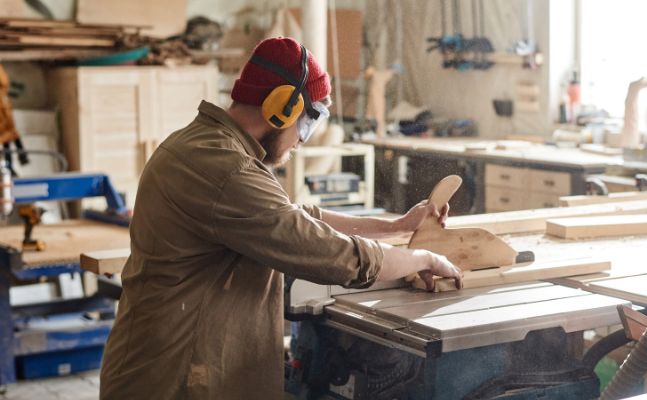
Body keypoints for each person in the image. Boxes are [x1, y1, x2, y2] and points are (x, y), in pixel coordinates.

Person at [99, 37, 463, 399]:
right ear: (282, 108)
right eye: (309, 122)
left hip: (165, 365)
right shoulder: (226, 170)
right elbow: (335, 256)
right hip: (176, 379)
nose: (303, 140)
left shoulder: (205, 145)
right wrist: (424, 258)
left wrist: (396, 227)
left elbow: (294, 216)